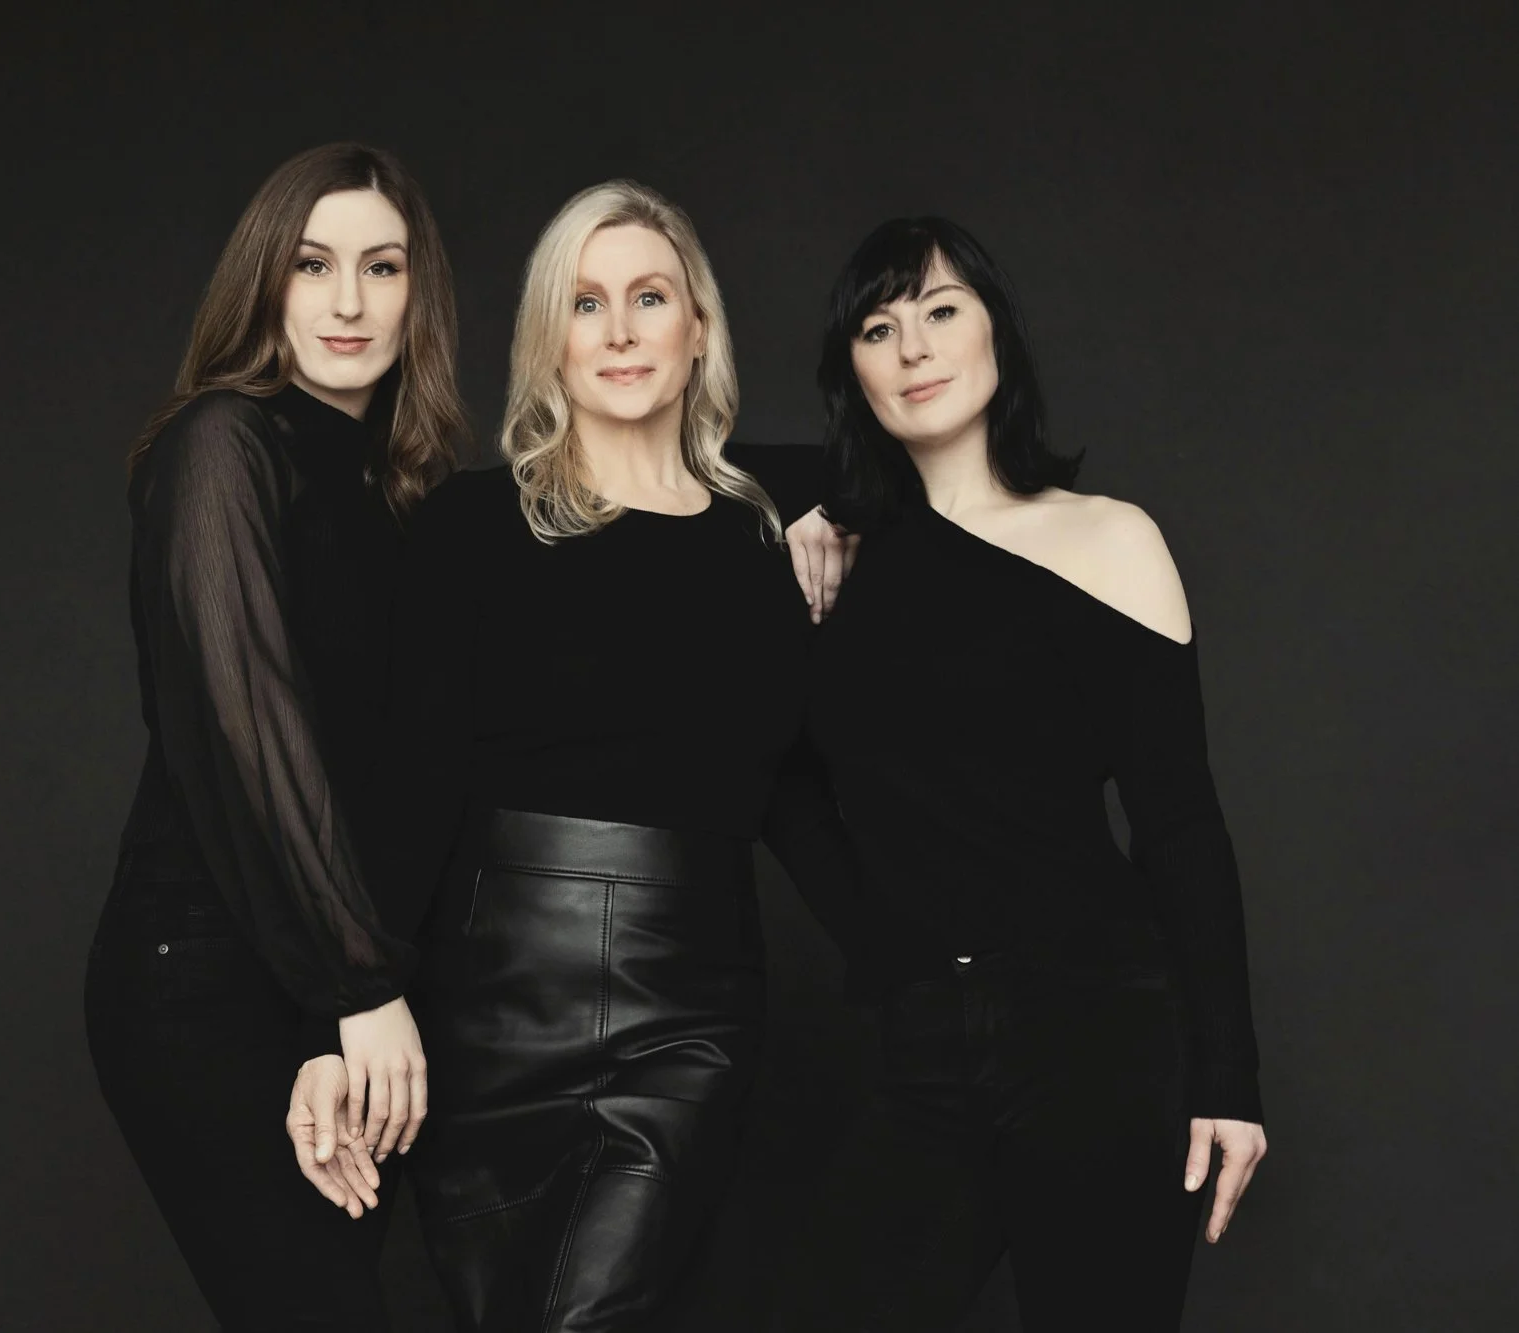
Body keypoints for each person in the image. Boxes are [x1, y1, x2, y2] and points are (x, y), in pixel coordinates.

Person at [288, 179, 856, 1332]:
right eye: (584, 303)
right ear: (548, 338)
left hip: (688, 1007)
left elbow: (788, 786)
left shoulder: (762, 535)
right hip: (486, 1004)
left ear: (697, 325)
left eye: (649, 297)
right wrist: (350, 1007)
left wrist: (934, 971)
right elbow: (410, 785)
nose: (617, 331)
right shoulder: (470, 527)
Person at [772, 217, 1268, 1331]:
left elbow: (1181, 826)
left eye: (941, 312)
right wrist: (817, 495)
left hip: (1096, 1033)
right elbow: (776, 782)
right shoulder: (839, 562)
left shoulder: (1107, 539)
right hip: (924, 1045)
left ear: (997, 332)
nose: (913, 348)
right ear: (850, 368)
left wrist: (1229, 1080)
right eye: (878, 327)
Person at [84, 142, 468, 1332]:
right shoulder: (223, 445)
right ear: (265, 281)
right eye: (312, 265)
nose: (348, 302)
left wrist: (821, 507)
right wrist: (355, 985)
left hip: (328, 991)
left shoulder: (403, 494)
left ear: (420, 294)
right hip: (202, 976)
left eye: (382, 265)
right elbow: (243, 726)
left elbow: (398, 779)